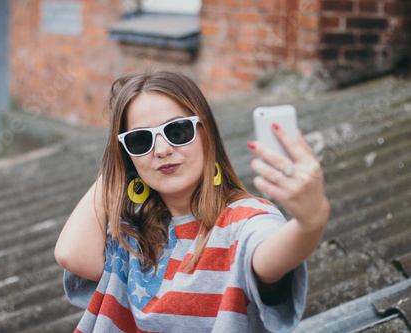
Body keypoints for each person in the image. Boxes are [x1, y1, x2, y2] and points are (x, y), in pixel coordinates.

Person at [55, 71, 330, 333]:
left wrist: (310, 221)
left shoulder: (244, 220)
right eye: (140, 140)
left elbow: (269, 257)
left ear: (206, 133)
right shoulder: (132, 233)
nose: (162, 150)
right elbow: (71, 255)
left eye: (177, 131)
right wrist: (117, 167)